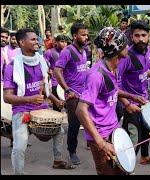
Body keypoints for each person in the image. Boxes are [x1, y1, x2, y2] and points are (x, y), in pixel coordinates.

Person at [76, 27, 145, 175]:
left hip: (113, 130)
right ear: (117, 48)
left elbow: (111, 90)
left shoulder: (115, 67)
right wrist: (101, 143)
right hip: (100, 135)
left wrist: (129, 101)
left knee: (122, 170)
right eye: (125, 44)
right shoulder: (96, 75)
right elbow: (80, 110)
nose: (128, 47)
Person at [3, 28, 72, 175]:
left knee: (59, 131)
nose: (37, 42)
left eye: (37, 39)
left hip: (41, 108)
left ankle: (57, 160)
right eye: (33, 39)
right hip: (22, 111)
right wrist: (29, 99)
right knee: (19, 146)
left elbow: (45, 89)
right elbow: (7, 97)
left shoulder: (42, 61)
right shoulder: (12, 67)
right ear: (22, 42)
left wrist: (55, 100)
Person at [118, 20, 150, 165]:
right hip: (131, 104)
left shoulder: (148, 52)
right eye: (137, 35)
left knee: (146, 130)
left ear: (149, 36)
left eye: (144, 35)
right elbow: (115, 84)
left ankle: (145, 157)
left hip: (144, 100)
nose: (140, 39)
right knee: (133, 137)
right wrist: (127, 104)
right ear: (131, 36)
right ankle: (125, 166)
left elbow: (144, 72)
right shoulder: (126, 56)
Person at [54, 22, 89, 165]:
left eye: (87, 34)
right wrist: (67, 90)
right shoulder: (67, 51)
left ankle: (92, 143)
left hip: (85, 94)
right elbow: (57, 71)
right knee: (74, 125)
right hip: (73, 95)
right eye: (83, 34)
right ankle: (72, 151)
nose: (86, 37)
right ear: (75, 36)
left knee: (91, 120)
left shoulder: (85, 50)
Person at [44, 34, 69, 111]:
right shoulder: (49, 52)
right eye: (62, 41)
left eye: (65, 42)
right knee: (57, 105)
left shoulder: (68, 52)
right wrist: (48, 70)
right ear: (56, 42)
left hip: (67, 82)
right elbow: (44, 64)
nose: (64, 44)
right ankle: (57, 122)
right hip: (55, 82)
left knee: (69, 104)